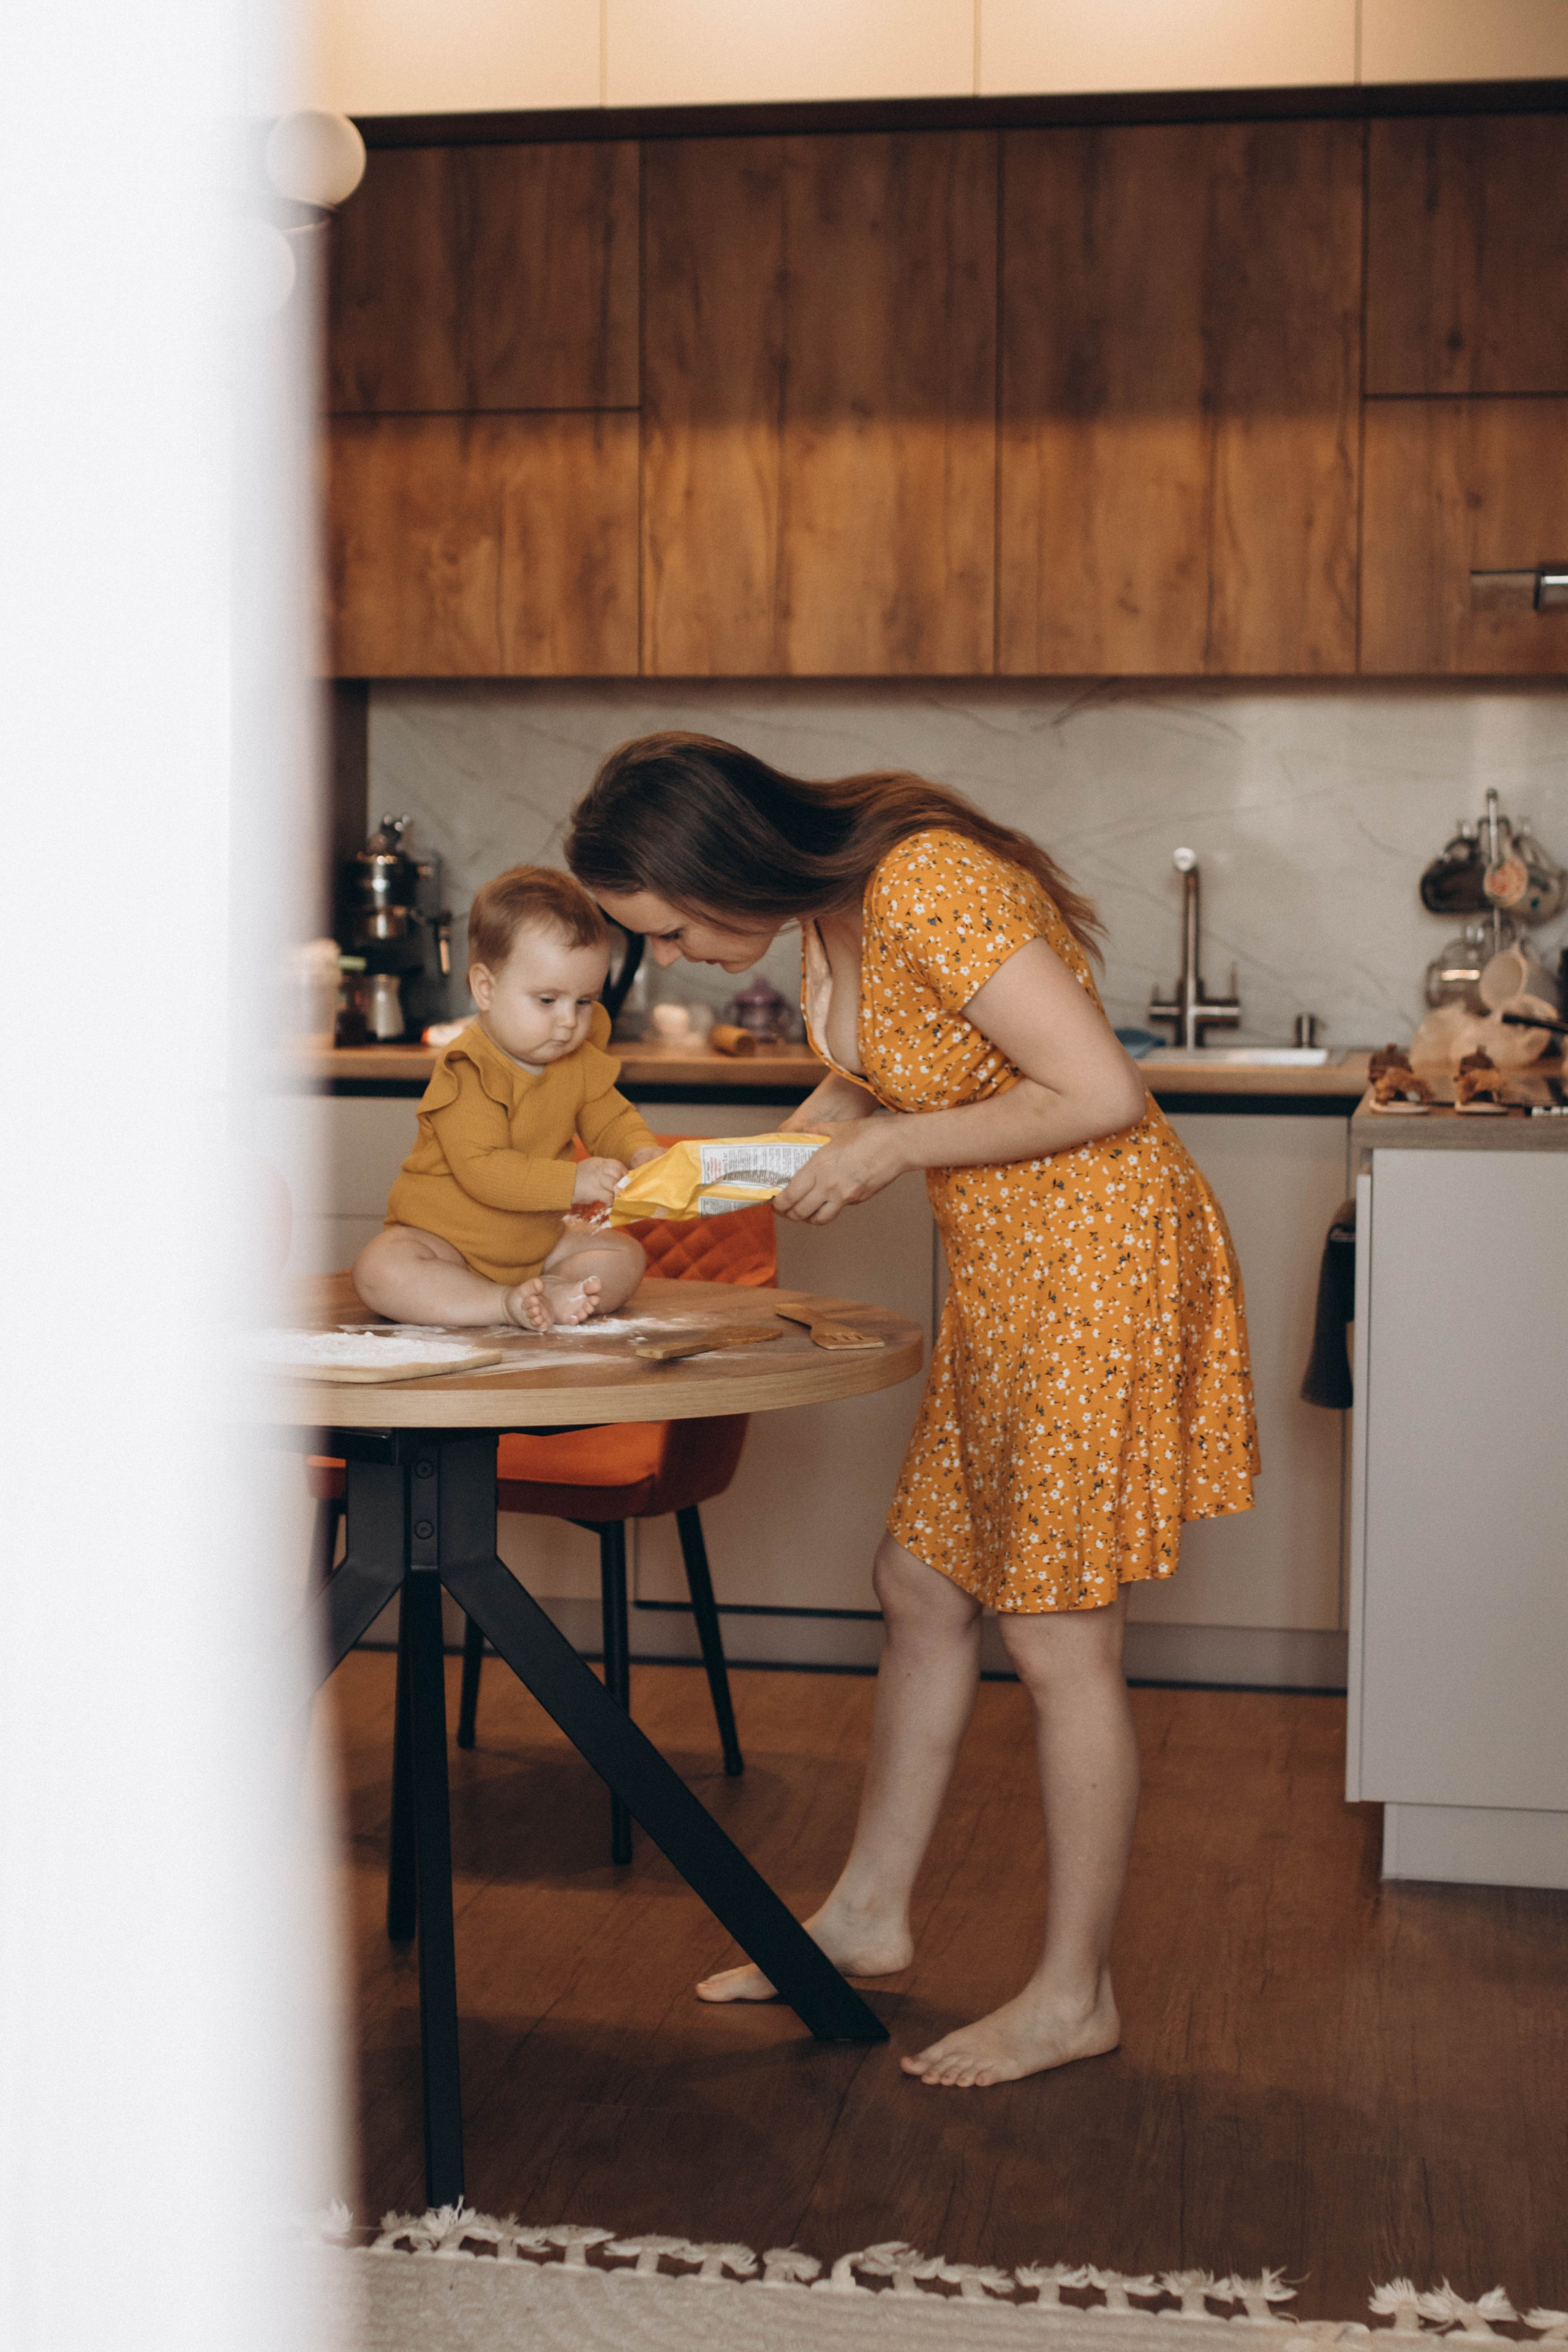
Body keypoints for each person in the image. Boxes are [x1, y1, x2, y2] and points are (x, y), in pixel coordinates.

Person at [565, 734, 1258, 2089]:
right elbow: (845, 1108)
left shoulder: (925, 881)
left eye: (681, 924)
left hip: (1097, 1261)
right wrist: (649, 1190)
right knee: (923, 1584)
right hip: (1015, 1272)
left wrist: (896, 1146)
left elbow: (1101, 1091)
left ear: (720, 864)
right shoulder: (831, 922)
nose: (692, 955)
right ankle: (868, 1916)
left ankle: (1074, 1995)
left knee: (1058, 1640)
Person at [353, 865, 662, 1332]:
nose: (568, 1022)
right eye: (547, 1000)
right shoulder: (468, 1068)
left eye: (584, 1002)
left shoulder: (576, 1057)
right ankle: (501, 1304)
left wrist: (641, 1150)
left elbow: (610, 1117)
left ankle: (551, 1292)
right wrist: (572, 1182)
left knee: (624, 1256)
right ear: (486, 989)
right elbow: (483, 1169)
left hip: (538, 1245)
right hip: (444, 1245)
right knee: (381, 1270)